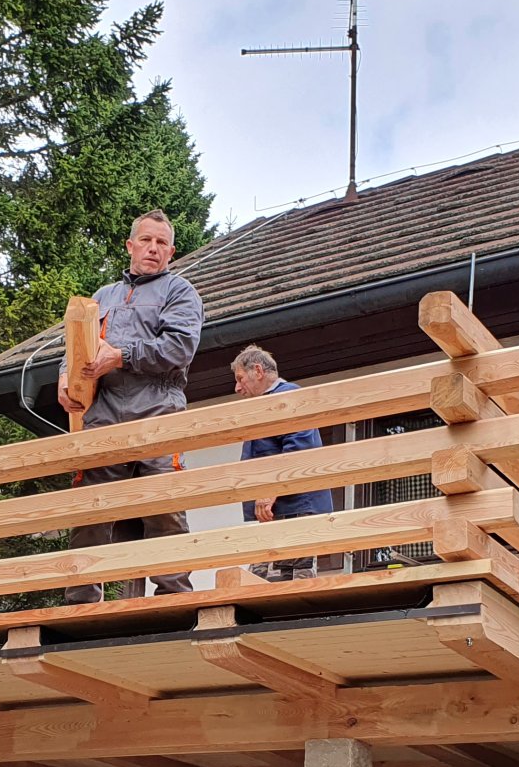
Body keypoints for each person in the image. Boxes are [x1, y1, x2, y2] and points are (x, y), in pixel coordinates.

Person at [58, 209, 206, 603]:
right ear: (130, 245)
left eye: (162, 243)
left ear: (171, 252)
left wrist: (120, 356)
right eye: (146, 240)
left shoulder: (179, 291)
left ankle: (173, 598)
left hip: (158, 410)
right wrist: (65, 376)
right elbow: (76, 344)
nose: (153, 249)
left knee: (163, 504)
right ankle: (80, 601)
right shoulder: (102, 297)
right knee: (91, 506)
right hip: (103, 414)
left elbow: (179, 347)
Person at [232, 345, 333, 579]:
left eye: (240, 378)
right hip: (273, 512)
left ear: (258, 371)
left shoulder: (287, 397)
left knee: (289, 580)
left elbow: (299, 449)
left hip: (294, 508)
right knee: (260, 581)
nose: (237, 388)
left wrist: (269, 491)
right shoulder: (266, 404)